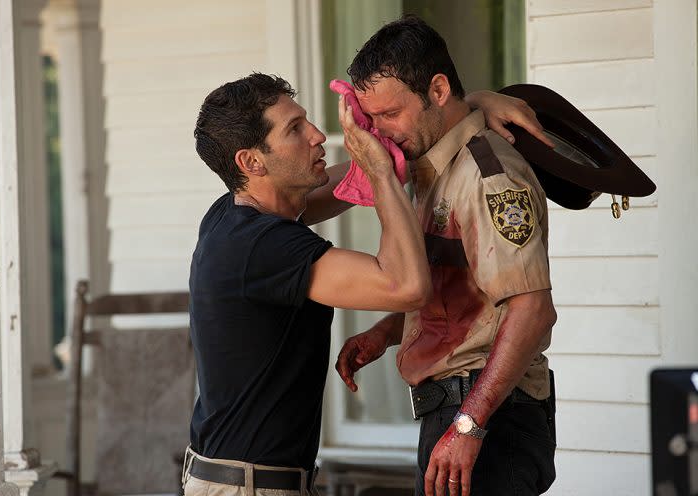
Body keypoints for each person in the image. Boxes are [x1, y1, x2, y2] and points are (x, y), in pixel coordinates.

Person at [183, 70, 547, 495]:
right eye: (295, 130)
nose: (318, 135)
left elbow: (360, 180)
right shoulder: (262, 247)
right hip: (249, 486)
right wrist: (380, 171)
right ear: (251, 161)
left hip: (240, 477)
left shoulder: (233, 216)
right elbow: (407, 286)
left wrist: (467, 107)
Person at [335, 16, 558, 496]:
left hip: (490, 414)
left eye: (390, 114)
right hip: (459, 410)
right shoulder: (431, 165)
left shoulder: (488, 175)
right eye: (371, 119)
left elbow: (532, 309)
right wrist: (388, 330)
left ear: (438, 90)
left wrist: (468, 425)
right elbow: (458, 281)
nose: (382, 132)